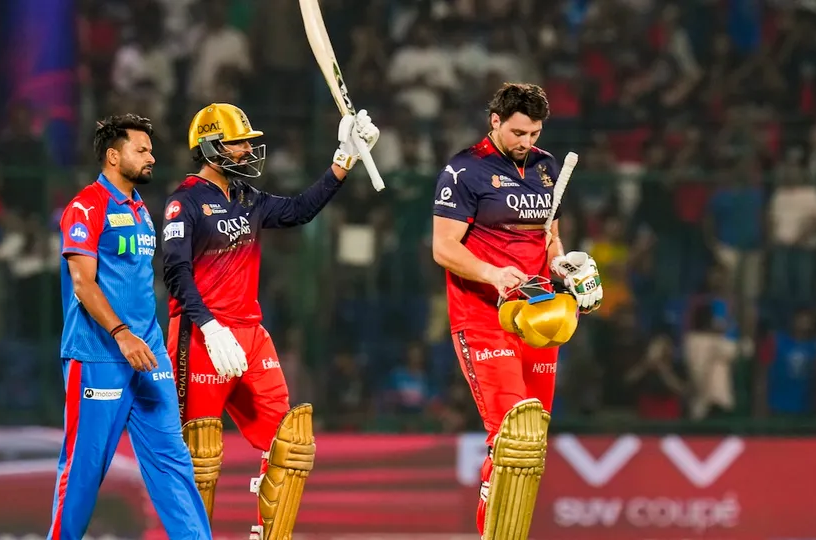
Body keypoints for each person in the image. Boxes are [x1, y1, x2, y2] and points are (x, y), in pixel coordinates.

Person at [161, 103, 379, 539]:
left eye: (246, 142)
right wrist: (206, 324)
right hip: (201, 336)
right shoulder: (183, 202)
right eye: (236, 142)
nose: (246, 150)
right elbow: (174, 271)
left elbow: (299, 210)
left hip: (250, 333)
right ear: (208, 146)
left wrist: (344, 160)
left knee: (290, 443)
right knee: (198, 457)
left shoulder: (248, 198)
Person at [430, 83, 603, 540]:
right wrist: (493, 274)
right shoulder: (465, 170)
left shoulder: (548, 168)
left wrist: (567, 267)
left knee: (532, 444)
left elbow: (550, 242)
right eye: (519, 132)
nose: (528, 142)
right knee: (510, 437)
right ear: (496, 121)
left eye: (536, 132)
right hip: (483, 318)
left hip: (539, 318)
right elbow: (443, 248)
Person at [50, 114, 211, 540]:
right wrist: (122, 334)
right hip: (98, 356)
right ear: (113, 155)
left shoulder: (141, 209)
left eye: (150, 150)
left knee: (173, 461)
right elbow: (83, 284)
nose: (151, 157)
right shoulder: (87, 205)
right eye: (142, 150)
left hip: (147, 354)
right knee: (83, 471)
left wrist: (143, 339)